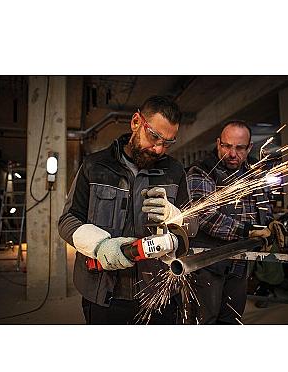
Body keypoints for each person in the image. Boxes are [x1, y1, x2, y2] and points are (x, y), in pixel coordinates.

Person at [58, 96, 195, 324]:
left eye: (167, 143)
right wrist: (99, 245)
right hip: (103, 292)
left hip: (158, 293)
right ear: (136, 122)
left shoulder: (174, 171)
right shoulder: (95, 166)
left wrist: (175, 216)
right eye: (154, 137)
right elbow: (68, 220)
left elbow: (192, 224)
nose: (159, 149)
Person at [186, 120, 283, 324]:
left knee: (231, 320)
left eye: (239, 148)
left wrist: (270, 223)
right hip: (209, 263)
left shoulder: (254, 173)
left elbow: (262, 205)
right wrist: (249, 231)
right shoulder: (203, 171)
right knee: (203, 321)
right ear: (218, 143)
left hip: (240, 262)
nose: (232, 153)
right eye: (227, 146)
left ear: (249, 147)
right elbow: (205, 216)